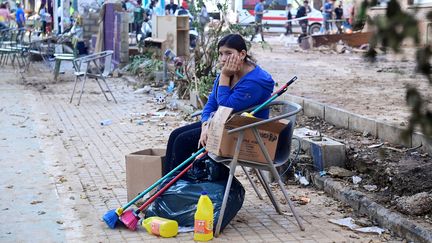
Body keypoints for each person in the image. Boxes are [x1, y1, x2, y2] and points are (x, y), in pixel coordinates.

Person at [163, 34, 275, 175]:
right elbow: (211, 103)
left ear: (242, 54)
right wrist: (205, 126)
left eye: (228, 53)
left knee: (183, 142)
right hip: (224, 126)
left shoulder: (255, 82)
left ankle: (179, 188)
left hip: (246, 136)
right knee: (175, 135)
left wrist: (224, 76)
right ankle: (168, 187)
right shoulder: (229, 72)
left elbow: (224, 107)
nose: (223, 59)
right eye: (221, 54)